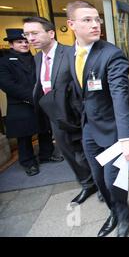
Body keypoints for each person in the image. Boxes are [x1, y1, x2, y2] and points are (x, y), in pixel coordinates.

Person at [66, 0, 129, 237]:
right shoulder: (70, 53)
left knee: (112, 180)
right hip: (88, 129)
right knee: (98, 178)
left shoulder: (111, 54)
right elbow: (77, 92)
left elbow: (119, 95)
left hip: (113, 131)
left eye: (97, 19)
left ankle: (123, 215)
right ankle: (113, 211)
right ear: (71, 24)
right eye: (87, 20)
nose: (95, 24)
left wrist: (126, 136)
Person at [23, 17, 98, 205]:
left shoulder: (71, 53)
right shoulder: (38, 57)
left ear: (50, 33)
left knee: (88, 152)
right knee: (68, 153)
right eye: (27, 34)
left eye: (35, 33)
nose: (30, 38)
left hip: (77, 114)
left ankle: (101, 184)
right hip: (54, 114)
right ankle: (87, 184)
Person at [0, 29, 62, 176]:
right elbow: (8, 85)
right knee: (24, 136)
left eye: (26, 41)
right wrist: (32, 96)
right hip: (21, 103)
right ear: (11, 45)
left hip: (40, 101)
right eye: (19, 42)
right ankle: (28, 162)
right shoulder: (4, 62)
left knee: (44, 129)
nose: (24, 44)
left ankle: (46, 155)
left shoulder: (37, 58)